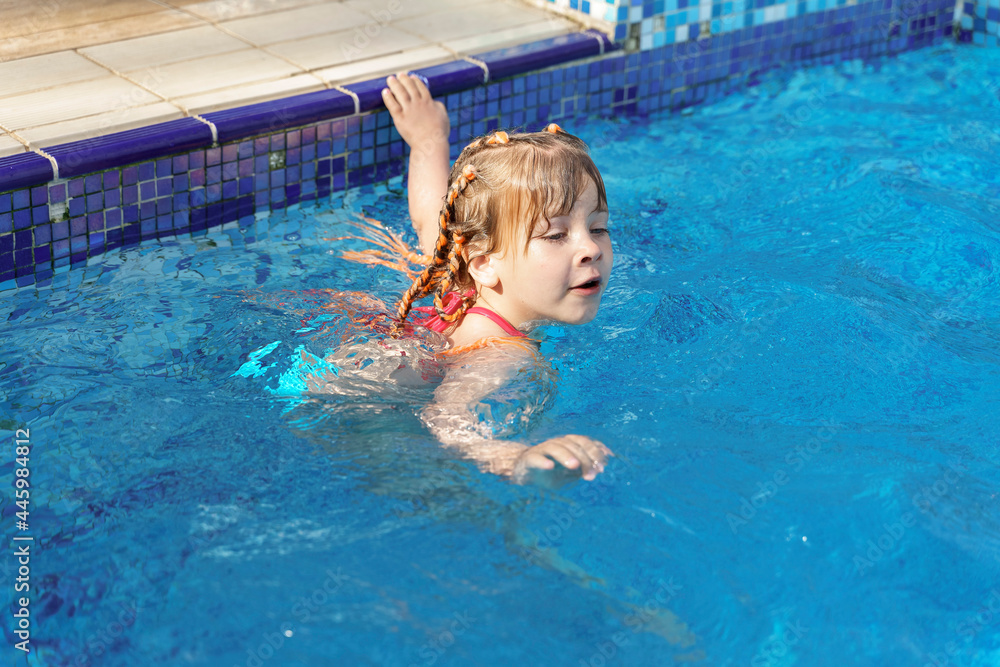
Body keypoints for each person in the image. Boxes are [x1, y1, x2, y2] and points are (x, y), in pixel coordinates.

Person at [337, 71, 616, 486]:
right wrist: (517, 457)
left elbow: (431, 217)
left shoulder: (459, 274)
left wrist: (427, 139)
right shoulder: (503, 353)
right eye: (556, 234)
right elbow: (447, 421)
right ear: (484, 262)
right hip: (357, 422)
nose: (589, 248)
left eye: (597, 227)